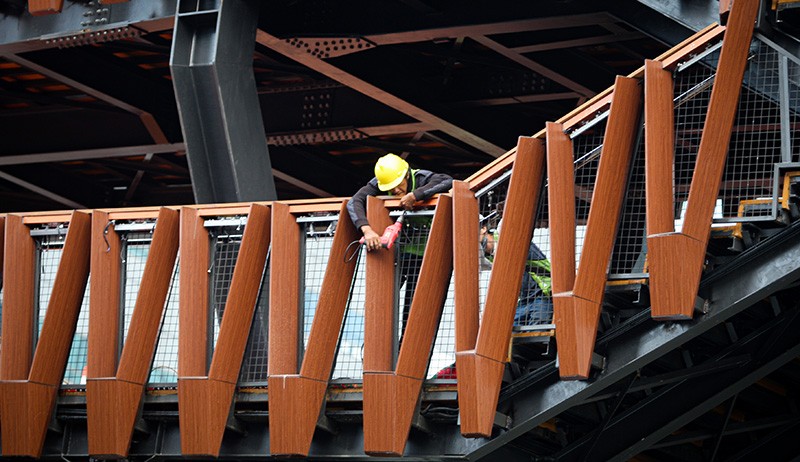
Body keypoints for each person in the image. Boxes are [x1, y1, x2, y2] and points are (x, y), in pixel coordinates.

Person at [347, 153, 453, 332]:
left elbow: (447, 180)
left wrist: (416, 195)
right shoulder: (381, 180)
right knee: (382, 299)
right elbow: (354, 202)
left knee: (413, 306)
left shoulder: (422, 177)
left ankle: (407, 340)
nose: (395, 190)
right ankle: (380, 340)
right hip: (402, 251)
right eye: (390, 188)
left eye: (398, 185)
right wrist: (366, 229)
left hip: (427, 252)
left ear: (406, 175)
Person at [481, 215, 553, 328]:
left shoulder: (506, 236)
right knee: (507, 330)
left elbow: (512, 221)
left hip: (542, 294)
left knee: (536, 329)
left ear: (483, 228)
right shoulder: (487, 257)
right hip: (524, 299)